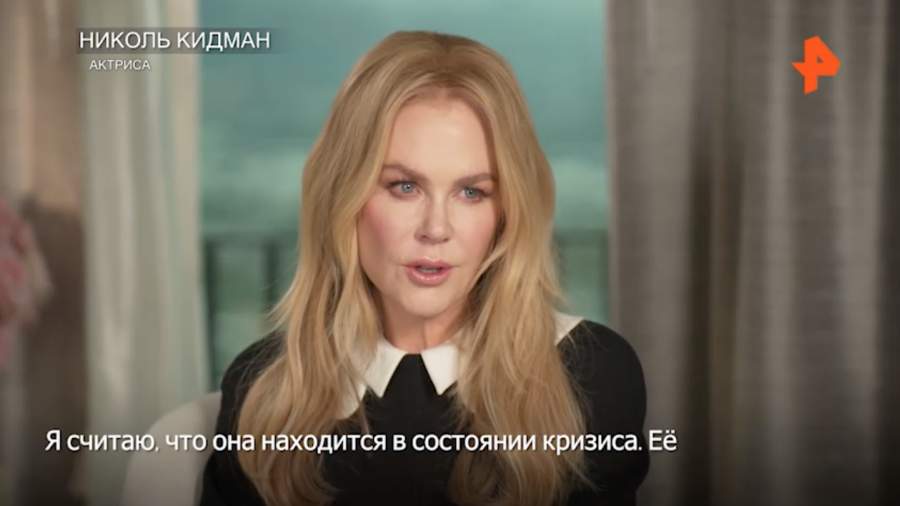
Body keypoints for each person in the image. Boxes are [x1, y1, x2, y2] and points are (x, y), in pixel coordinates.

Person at [199, 30, 649, 506]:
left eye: (471, 192)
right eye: (404, 187)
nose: (436, 229)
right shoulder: (261, 386)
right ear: (343, 197)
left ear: (507, 213)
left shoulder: (593, 375)